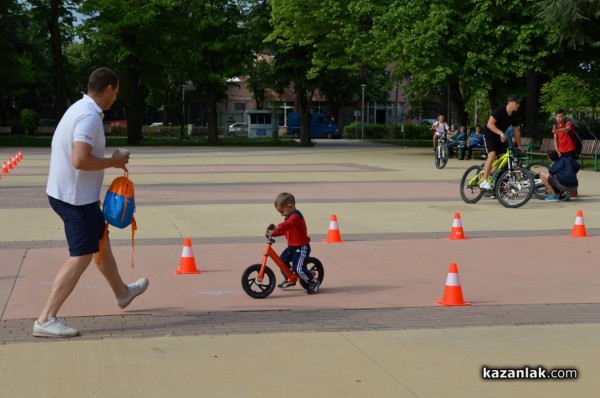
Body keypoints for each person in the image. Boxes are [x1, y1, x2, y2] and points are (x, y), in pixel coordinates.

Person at [35, 67, 149, 338]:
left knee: (100, 242)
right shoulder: (88, 117)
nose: (116, 98)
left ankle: (122, 293)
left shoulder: (79, 108)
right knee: (82, 255)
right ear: (108, 88)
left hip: (74, 195)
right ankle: (46, 318)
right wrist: (114, 161)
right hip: (73, 199)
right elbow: (79, 159)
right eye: (116, 92)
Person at [267, 192, 320, 294]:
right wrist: (273, 233)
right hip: (291, 247)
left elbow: (289, 224)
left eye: (282, 211)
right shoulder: (288, 218)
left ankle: (313, 281)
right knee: (281, 261)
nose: (281, 214)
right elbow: (284, 230)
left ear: (290, 206)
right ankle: (289, 278)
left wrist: (277, 226)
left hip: (301, 248)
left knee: (298, 268)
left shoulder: (296, 217)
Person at [479, 94, 524, 190]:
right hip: (489, 134)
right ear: (510, 102)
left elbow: (517, 131)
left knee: (504, 156)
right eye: (517, 103)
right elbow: (490, 124)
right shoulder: (500, 110)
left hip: (500, 136)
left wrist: (519, 145)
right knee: (492, 154)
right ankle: (484, 181)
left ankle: (491, 173)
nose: (518, 105)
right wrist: (501, 133)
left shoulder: (514, 115)